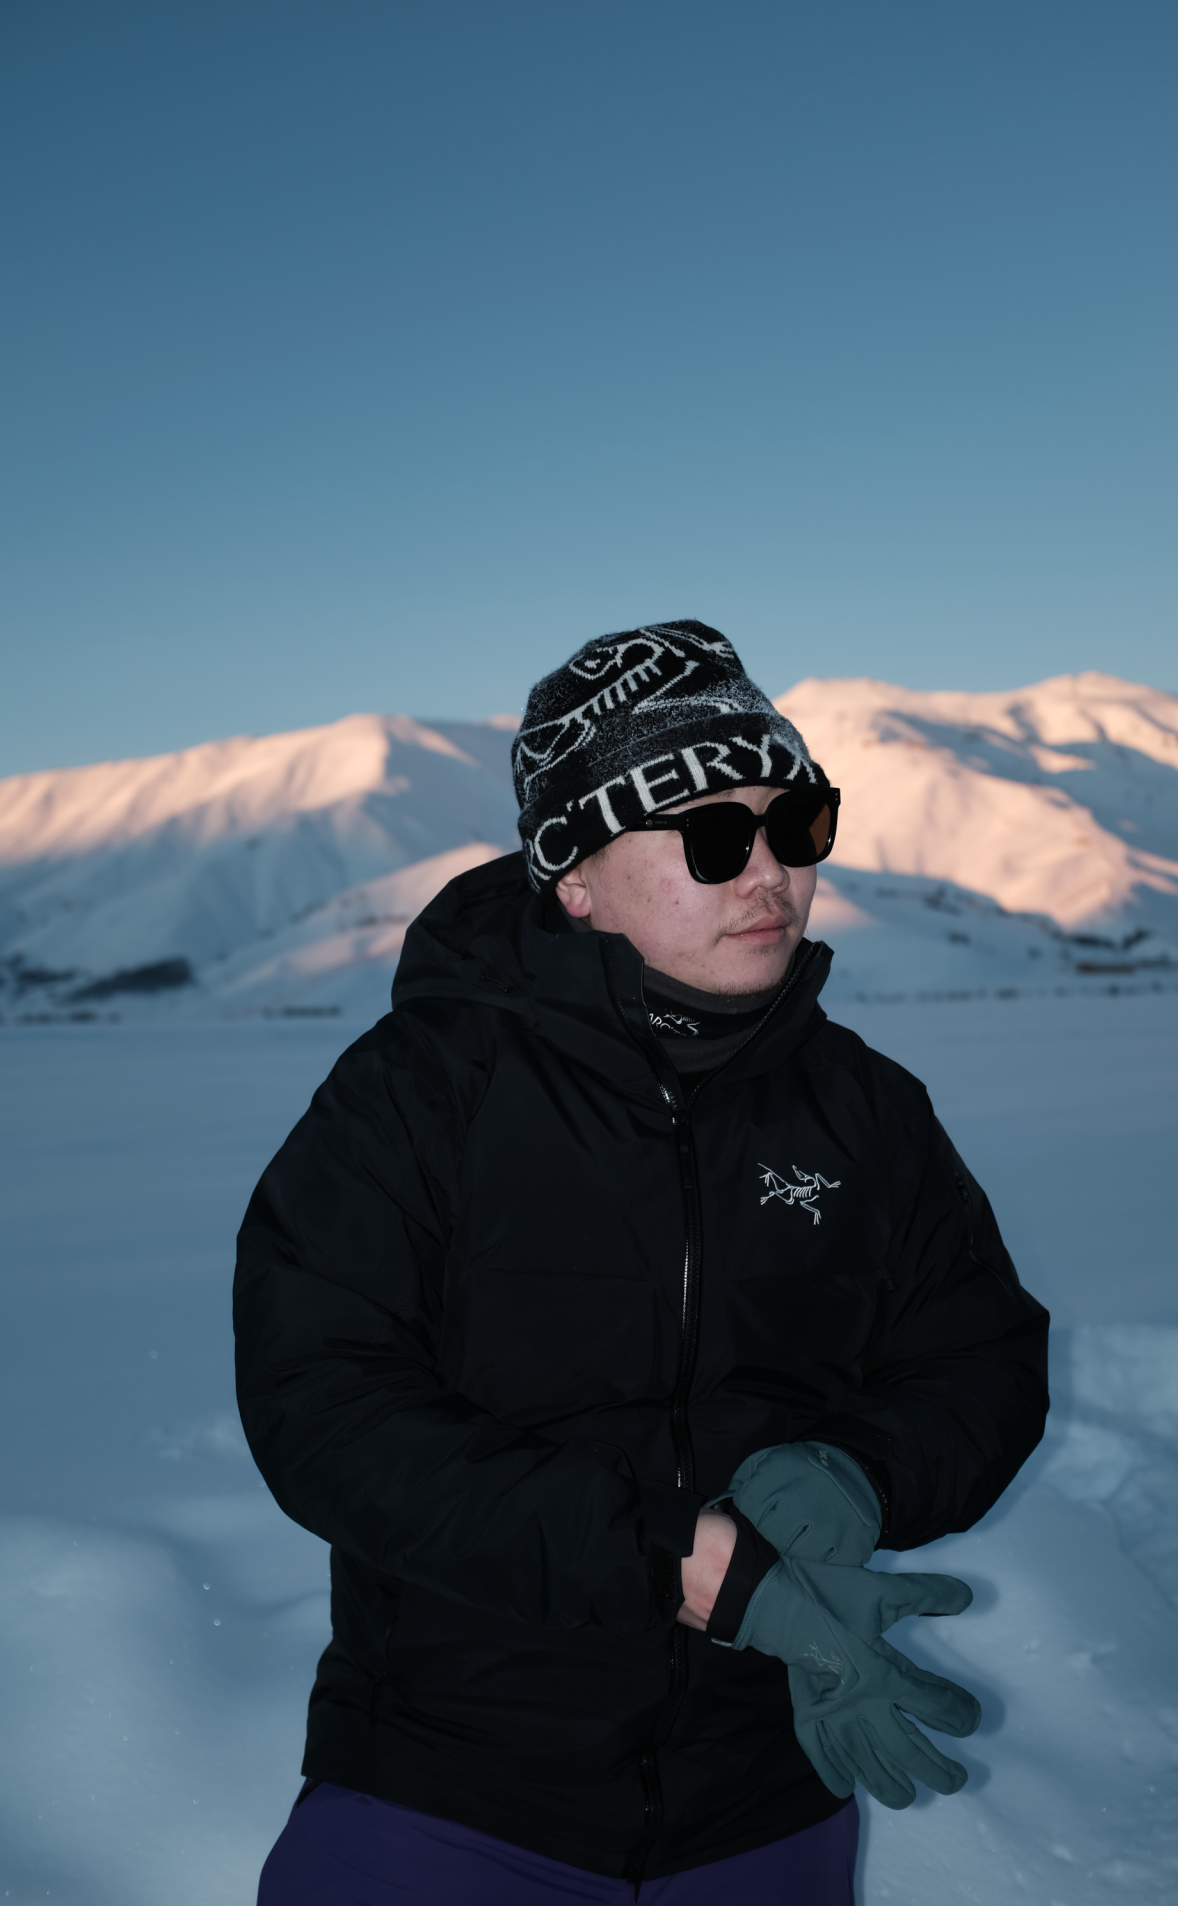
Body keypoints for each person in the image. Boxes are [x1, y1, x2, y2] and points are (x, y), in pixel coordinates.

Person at [235, 621, 1049, 1904]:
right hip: (447, 1790)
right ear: (572, 876)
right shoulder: (419, 1095)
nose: (769, 872)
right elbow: (324, 1410)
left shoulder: (864, 1110)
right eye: (713, 838)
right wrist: (665, 1559)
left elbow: (983, 1360)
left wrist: (863, 1471)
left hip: (773, 1781)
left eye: (797, 825)